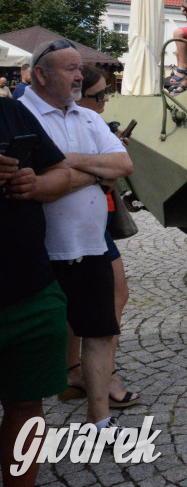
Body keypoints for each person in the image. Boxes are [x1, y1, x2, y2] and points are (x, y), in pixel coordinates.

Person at [18, 39, 134, 436]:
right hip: (37, 252)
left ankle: (99, 420)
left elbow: (124, 163)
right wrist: (97, 172)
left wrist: (66, 162)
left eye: (78, 69)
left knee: (100, 332)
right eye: (69, 69)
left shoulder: (87, 118)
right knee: (32, 340)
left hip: (91, 246)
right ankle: (24, 425)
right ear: (41, 75)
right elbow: (33, 185)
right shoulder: (20, 115)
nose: (79, 76)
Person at [1, 97, 76, 487]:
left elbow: (61, 173)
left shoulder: (9, 111)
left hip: (30, 291)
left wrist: (36, 183)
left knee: (28, 405)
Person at [58, 65, 139, 409]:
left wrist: (102, 163)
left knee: (81, 300)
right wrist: (98, 168)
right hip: (80, 224)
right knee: (113, 295)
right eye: (99, 95)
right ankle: (101, 376)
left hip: (95, 222)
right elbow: (64, 170)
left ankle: (74, 372)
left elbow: (121, 165)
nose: (105, 100)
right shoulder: (69, 126)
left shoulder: (90, 125)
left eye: (108, 92)